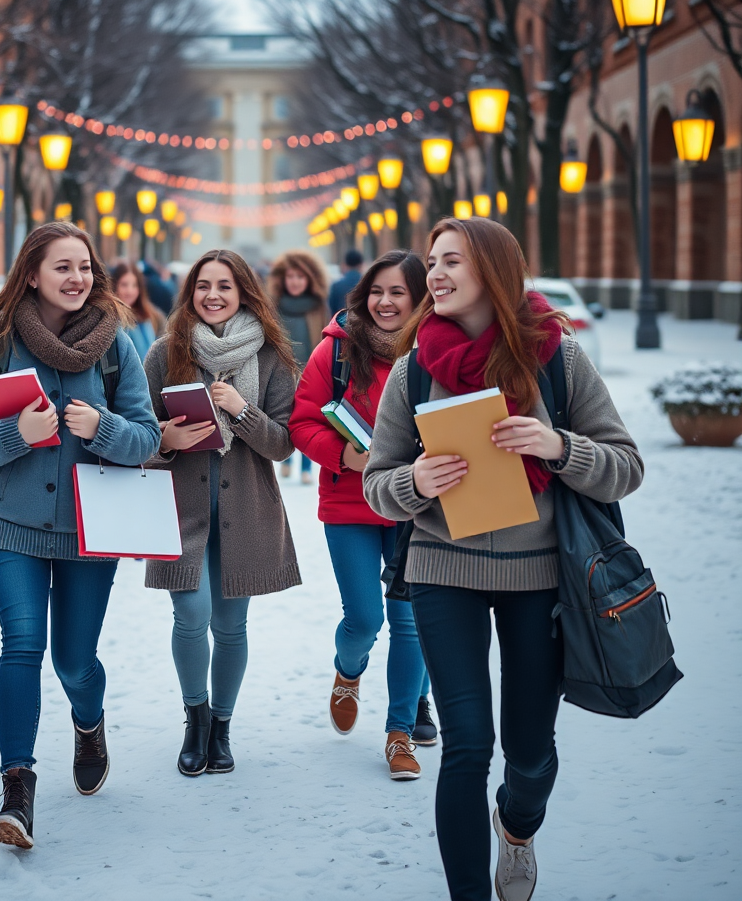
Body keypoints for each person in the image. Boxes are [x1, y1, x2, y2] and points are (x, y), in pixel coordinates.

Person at [363, 218, 643, 901]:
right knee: (466, 744)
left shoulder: (558, 359)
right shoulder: (413, 366)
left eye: (453, 260)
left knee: (528, 752)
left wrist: (557, 447)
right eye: (432, 261)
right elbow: (378, 484)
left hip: (540, 575)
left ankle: (517, 828)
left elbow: (626, 467)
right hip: (440, 568)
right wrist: (415, 483)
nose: (436, 274)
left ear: (494, 269)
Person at [0, 223, 160, 850]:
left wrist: (102, 427)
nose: (77, 278)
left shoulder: (115, 346)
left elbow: (145, 438)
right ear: (31, 273)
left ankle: (88, 722)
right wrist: (16, 436)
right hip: (10, 522)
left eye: (85, 267)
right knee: (23, 642)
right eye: (63, 267)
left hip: (92, 529)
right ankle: (17, 790)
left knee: (74, 661)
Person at [142, 249, 301, 777]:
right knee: (190, 612)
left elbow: (283, 445)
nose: (213, 295)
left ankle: (223, 724)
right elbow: (138, 436)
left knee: (231, 624)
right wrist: (165, 439)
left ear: (244, 294)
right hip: (180, 505)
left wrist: (240, 409)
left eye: (225, 286)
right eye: (203, 285)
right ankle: (196, 719)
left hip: (247, 506)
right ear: (190, 293)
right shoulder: (166, 354)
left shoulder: (272, 356)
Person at [290, 249, 435, 780]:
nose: (385, 302)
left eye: (398, 292)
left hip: (416, 507)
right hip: (350, 503)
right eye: (377, 291)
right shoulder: (336, 353)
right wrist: (343, 455)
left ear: (420, 296)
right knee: (365, 619)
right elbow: (301, 423)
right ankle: (347, 672)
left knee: (411, 622)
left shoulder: (436, 350)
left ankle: (400, 734)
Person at [268, 249, 328, 485]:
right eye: (291, 276)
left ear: (310, 279)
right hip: (282, 369)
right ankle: (285, 460)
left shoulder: (317, 306)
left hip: (310, 371)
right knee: (284, 416)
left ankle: (305, 465)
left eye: (300, 277)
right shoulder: (274, 305)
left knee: (308, 417)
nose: (295, 282)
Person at [111, 260, 165, 361]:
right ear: (115, 286)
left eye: (134, 285)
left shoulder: (150, 316)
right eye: (124, 285)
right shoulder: (110, 318)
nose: (129, 291)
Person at [328, 248, 365, 315]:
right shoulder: (367, 283)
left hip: (341, 323)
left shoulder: (336, 286)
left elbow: (331, 310)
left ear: (345, 264)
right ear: (361, 264)